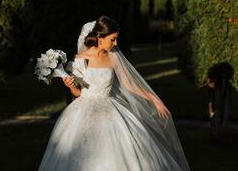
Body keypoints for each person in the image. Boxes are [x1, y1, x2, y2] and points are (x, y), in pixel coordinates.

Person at [38, 16, 190, 171]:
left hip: (110, 109)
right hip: (83, 111)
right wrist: (70, 85)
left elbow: (128, 84)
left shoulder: (113, 56)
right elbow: (78, 93)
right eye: (113, 39)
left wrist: (154, 99)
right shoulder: (81, 59)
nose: (115, 43)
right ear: (100, 38)